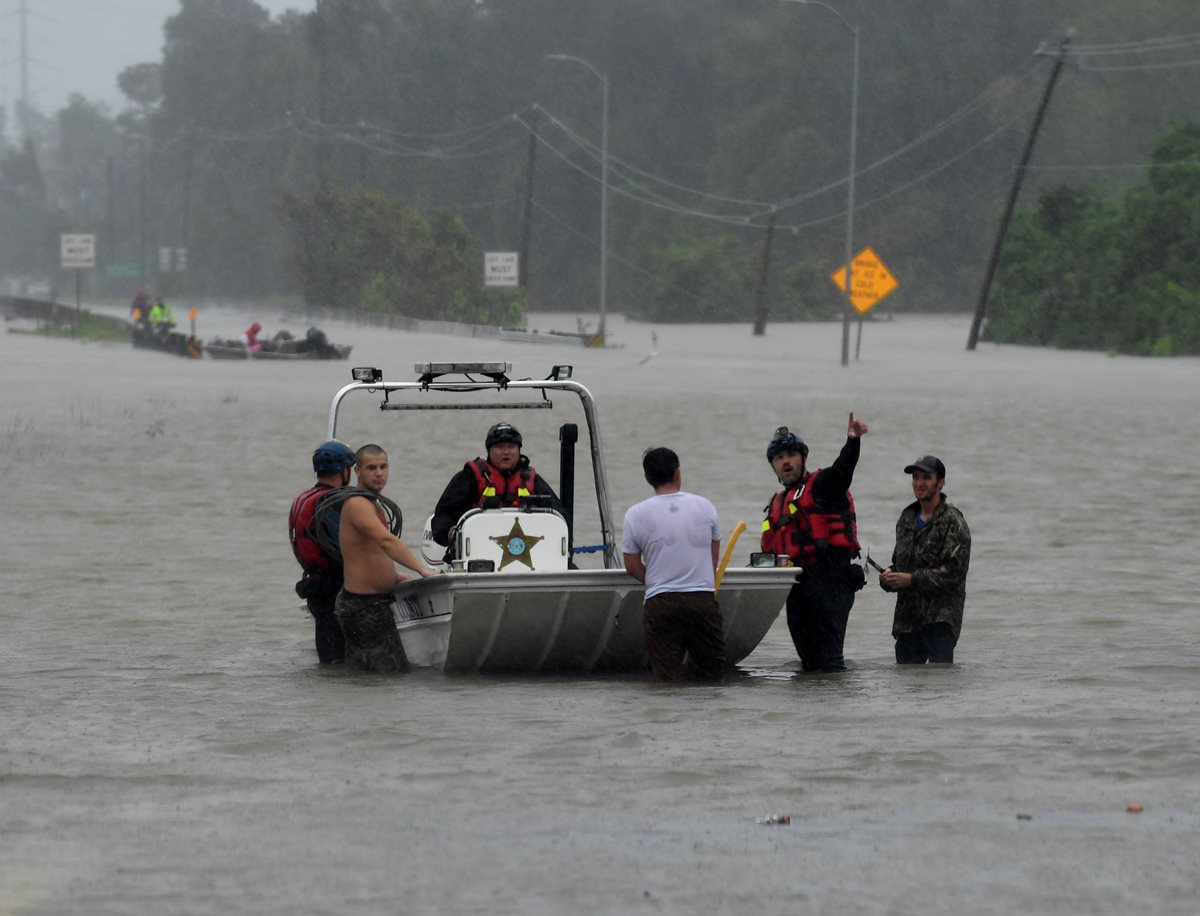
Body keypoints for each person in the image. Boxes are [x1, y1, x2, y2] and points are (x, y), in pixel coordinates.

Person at [760, 414, 868, 673]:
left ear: (802, 458)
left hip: (830, 580)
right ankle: (810, 714)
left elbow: (843, 472)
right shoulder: (776, 505)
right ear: (773, 466)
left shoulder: (821, 485)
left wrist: (852, 442)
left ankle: (835, 707)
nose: (785, 461)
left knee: (829, 662)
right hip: (797, 587)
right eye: (779, 457)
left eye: (791, 455)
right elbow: (770, 552)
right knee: (808, 664)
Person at [621, 447, 725, 681]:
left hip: (661, 603)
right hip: (701, 600)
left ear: (648, 478)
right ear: (678, 473)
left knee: (668, 680)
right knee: (712, 677)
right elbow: (713, 557)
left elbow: (632, 566)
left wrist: (659, 579)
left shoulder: (635, 514)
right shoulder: (705, 506)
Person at [336, 484, 440, 672]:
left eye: (383, 467)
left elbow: (371, 553)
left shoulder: (373, 504)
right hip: (364, 607)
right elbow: (386, 541)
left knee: (363, 676)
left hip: (370, 604)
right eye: (371, 467)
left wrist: (394, 576)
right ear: (357, 470)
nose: (378, 473)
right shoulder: (357, 504)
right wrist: (421, 569)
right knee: (392, 675)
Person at [879, 455, 972, 664]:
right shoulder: (906, 519)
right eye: (916, 477)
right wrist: (889, 577)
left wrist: (911, 579)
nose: (919, 483)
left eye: (926, 477)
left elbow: (953, 573)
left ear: (940, 482)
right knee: (907, 691)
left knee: (939, 690)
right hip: (907, 622)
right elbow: (900, 564)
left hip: (940, 621)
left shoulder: (953, 521)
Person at [429, 422, 564, 558]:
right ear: (489, 450)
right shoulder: (469, 478)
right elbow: (442, 516)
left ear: (519, 450)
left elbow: (560, 516)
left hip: (527, 554)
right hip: (477, 556)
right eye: (499, 447)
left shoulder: (532, 480)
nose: (506, 452)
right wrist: (451, 532)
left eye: (511, 447)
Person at [289, 439, 355, 664]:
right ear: (344, 470)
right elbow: (344, 543)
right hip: (332, 584)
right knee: (340, 654)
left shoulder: (303, 497)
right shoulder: (331, 501)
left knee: (326, 653)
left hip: (313, 581)